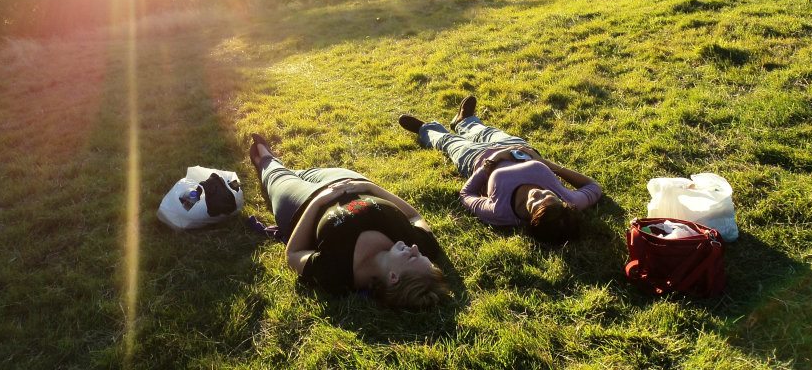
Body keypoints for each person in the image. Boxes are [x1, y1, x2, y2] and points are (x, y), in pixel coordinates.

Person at [248, 133, 449, 308]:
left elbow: (293, 254)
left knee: (276, 174)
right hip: (347, 180)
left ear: (393, 278)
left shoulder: (336, 274)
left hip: (301, 204)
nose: (414, 248)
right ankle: (286, 168)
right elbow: (415, 217)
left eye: (413, 257)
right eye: (420, 253)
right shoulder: (424, 246)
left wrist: (318, 202)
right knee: (303, 172)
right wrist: (372, 188)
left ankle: (265, 159)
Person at [398, 96, 602, 243]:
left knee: (448, 142)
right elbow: (593, 187)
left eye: (534, 202)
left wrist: (490, 164)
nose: (537, 193)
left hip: (477, 159)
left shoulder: (500, 211)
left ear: (530, 219)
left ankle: (426, 129)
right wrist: (549, 165)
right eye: (548, 196)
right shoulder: (569, 201)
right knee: (483, 131)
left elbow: (466, 194)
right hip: (516, 146)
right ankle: (464, 121)